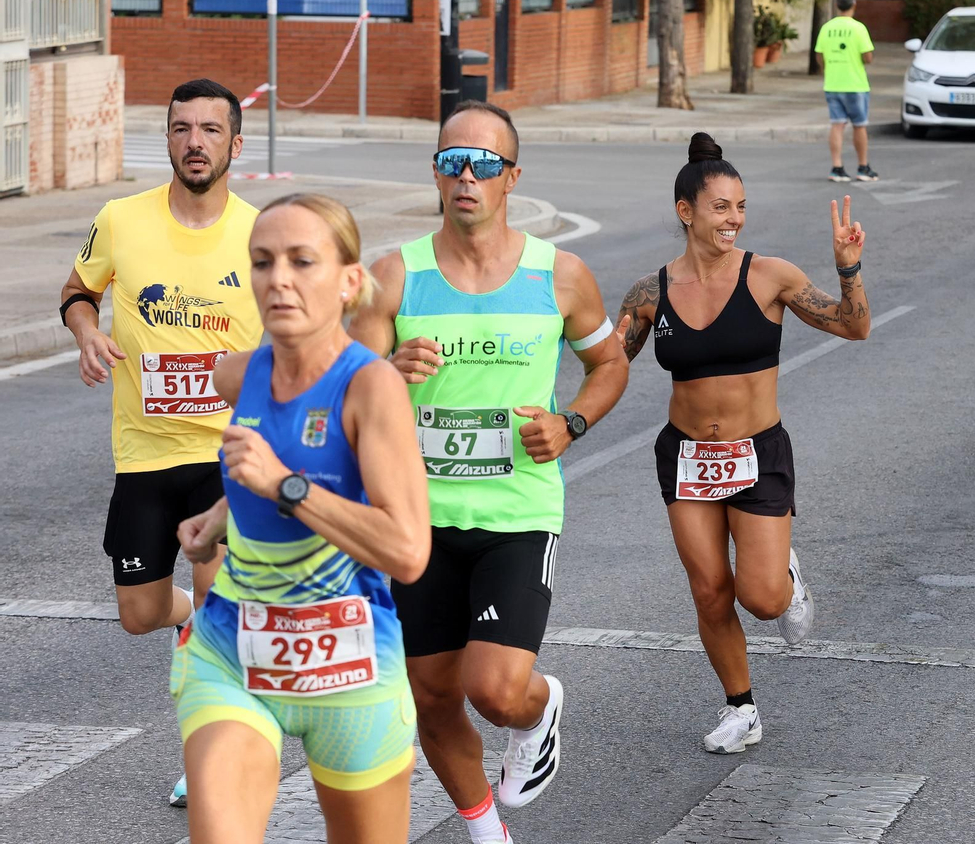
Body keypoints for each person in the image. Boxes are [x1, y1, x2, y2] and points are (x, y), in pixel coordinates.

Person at [349, 101, 630, 844]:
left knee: (495, 691)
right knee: (433, 697)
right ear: (436, 174)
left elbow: (609, 363)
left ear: (512, 177)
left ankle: (539, 710)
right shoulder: (394, 277)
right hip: (416, 522)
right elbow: (339, 392)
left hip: (517, 515)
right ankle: (485, 832)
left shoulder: (559, 276)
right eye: (452, 162)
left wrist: (571, 423)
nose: (466, 176)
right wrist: (385, 371)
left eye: (483, 164)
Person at [170, 194, 430, 844]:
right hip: (235, 651)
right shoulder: (237, 375)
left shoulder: (370, 386)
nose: (278, 279)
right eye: (262, 262)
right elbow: (268, 464)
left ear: (349, 281)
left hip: (351, 667)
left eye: (301, 261)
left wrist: (284, 487)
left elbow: (406, 550)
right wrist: (222, 514)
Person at [613, 134, 868, 754]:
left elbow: (854, 326)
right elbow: (610, 366)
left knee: (762, 599)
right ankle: (741, 708)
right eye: (721, 207)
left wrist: (848, 267)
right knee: (708, 589)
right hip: (687, 457)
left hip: (757, 453)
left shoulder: (770, 276)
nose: (734, 219)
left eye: (741, 207)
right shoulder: (649, 294)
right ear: (686, 211)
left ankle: (786, 576)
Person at [57, 78, 262, 809]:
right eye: (182, 129)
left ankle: (208, 761)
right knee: (140, 614)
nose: (195, 142)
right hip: (144, 452)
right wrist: (87, 332)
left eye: (210, 130)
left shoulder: (261, 235)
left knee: (214, 606)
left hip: (227, 453)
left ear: (235, 145)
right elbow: (77, 292)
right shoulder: (121, 219)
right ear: (168, 139)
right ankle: (197, 628)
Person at [815, 0, 877, 183]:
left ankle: (837, 167)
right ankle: (863, 167)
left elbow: (819, 55)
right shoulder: (859, 28)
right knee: (859, 125)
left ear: (836, 5)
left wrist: (827, 69)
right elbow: (868, 57)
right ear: (854, 5)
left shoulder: (827, 28)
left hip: (833, 83)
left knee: (837, 124)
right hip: (855, 84)